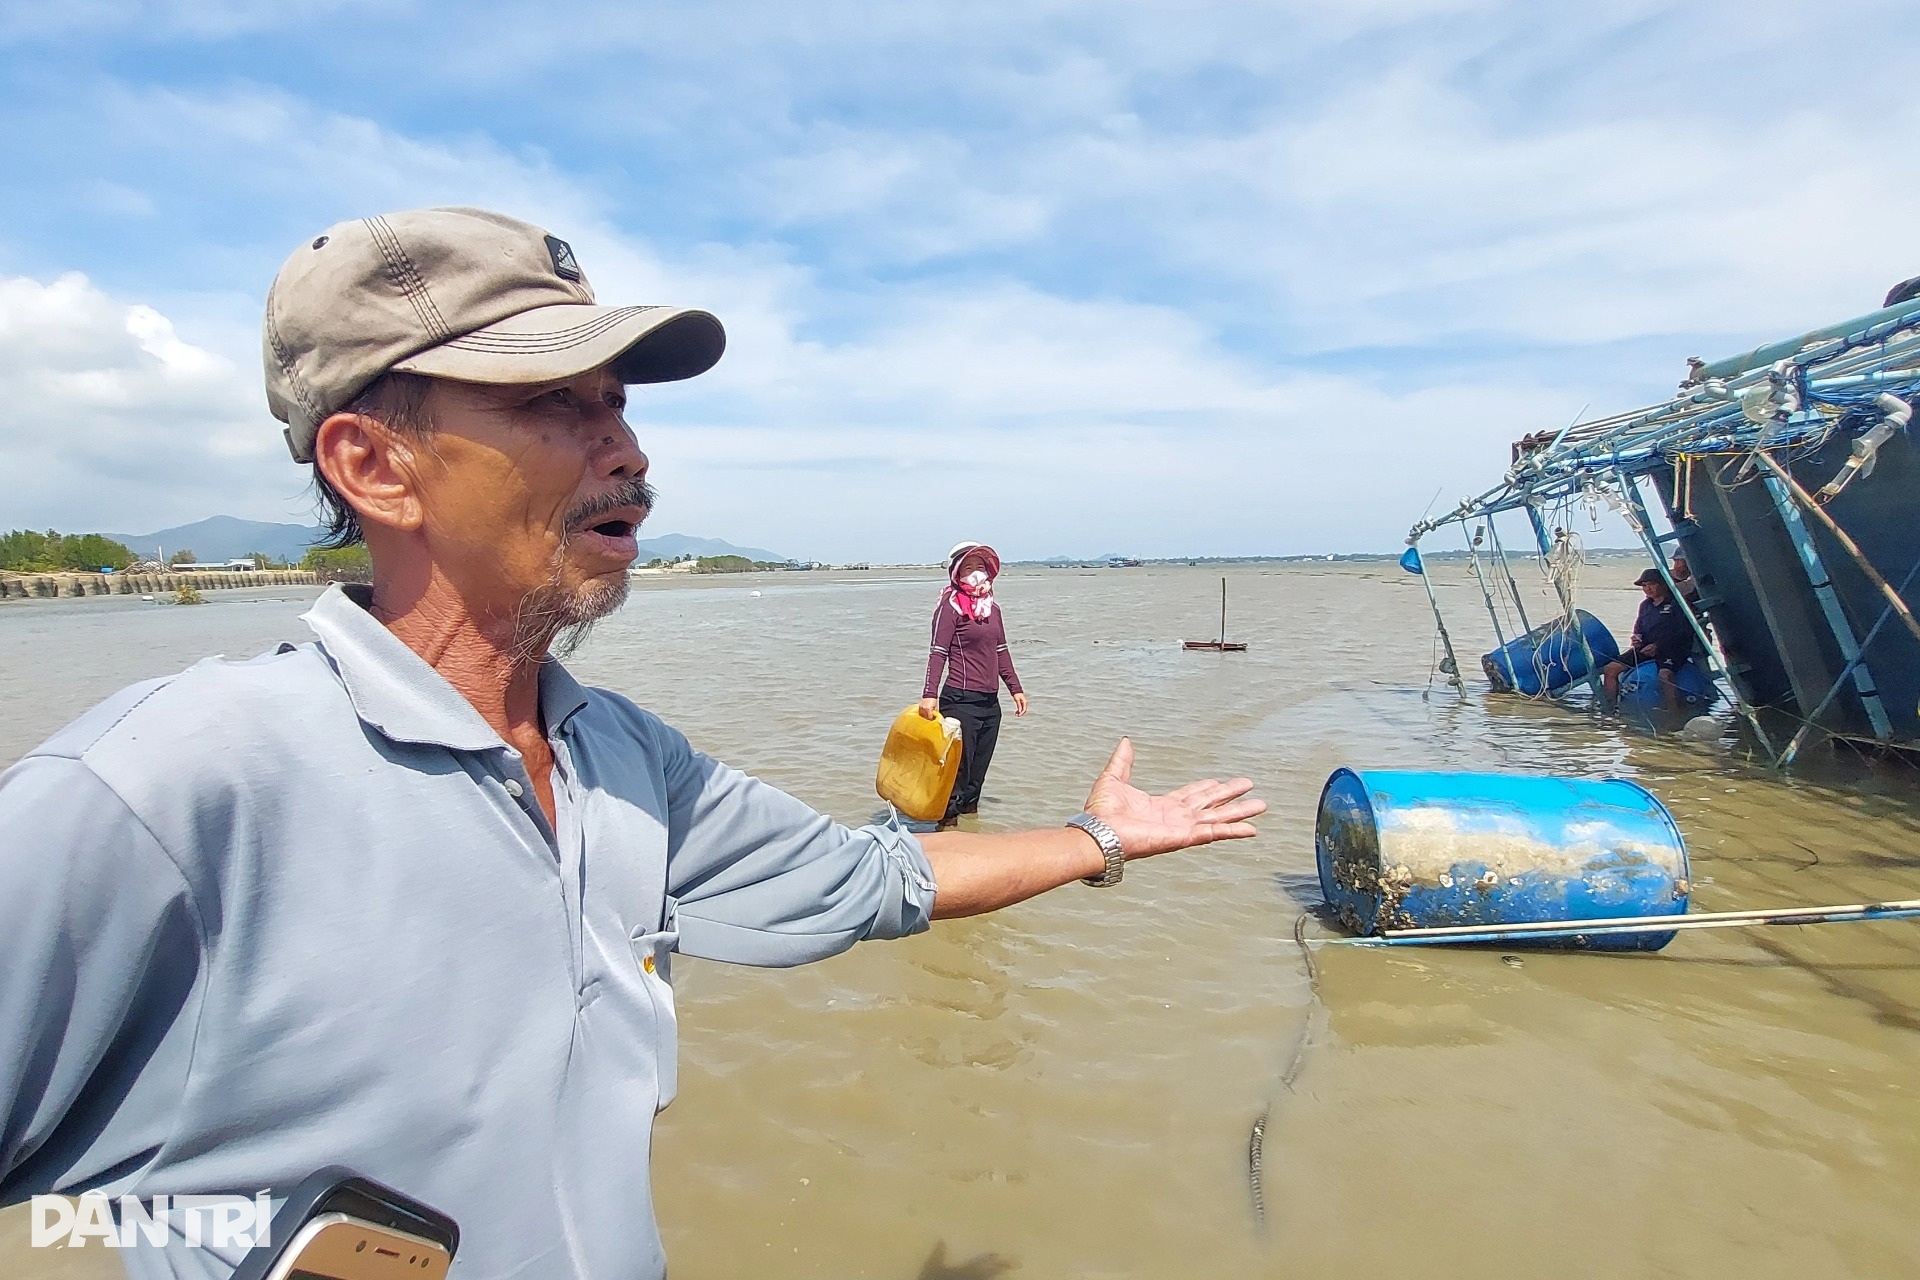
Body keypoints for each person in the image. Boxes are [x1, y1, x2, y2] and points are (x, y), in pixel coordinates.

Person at [0, 208, 1264, 1280]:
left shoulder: (626, 760)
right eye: (558, 403)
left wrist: (1105, 838)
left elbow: (885, 876)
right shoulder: (169, 790)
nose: (632, 452)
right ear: (374, 465)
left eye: (619, 404)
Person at [919, 541, 1025, 828]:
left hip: (990, 704)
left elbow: (1000, 649)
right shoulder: (949, 607)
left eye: (980, 567)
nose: (976, 573)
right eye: (968, 567)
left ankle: (973, 833)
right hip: (960, 701)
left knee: (976, 778)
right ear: (956, 573)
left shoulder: (993, 610)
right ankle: (946, 831)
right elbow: (938, 651)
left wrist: (1015, 687)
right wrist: (929, 694)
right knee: (957, 774)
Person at [1601, 568, 1697, 711]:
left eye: (1652, 584)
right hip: (1645, 649)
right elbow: (1638, 627)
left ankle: (1672, 714)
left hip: (1672, 650)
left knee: (1665, 676)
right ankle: (1609, 709)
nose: (1647, 589)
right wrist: (1636, 637)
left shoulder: (1678, 604)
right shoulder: (1645, 605)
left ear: (1664, 585)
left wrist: (1658, 645)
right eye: (1644, 585)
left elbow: (1684, 632)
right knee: (1610, 669)